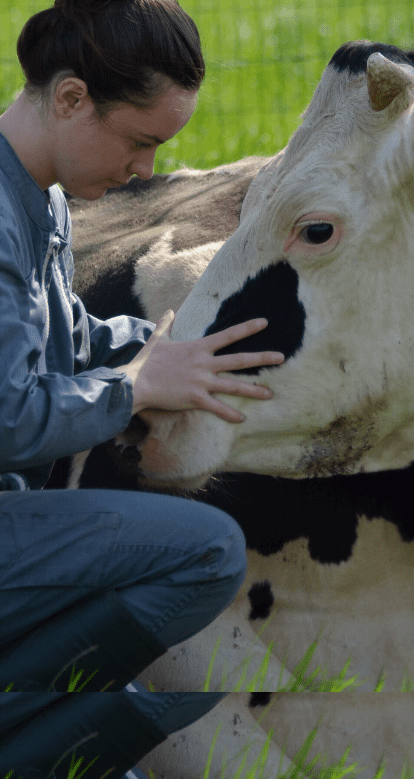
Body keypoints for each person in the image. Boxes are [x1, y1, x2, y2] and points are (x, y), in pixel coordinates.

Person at [0, 0, 284, 776]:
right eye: (139, 141)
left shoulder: (41, 195)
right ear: (69, 99)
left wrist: (185, 345)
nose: (146, 172)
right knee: (205, 551)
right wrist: (135, 389)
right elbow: (11, 418)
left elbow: (67, 340)